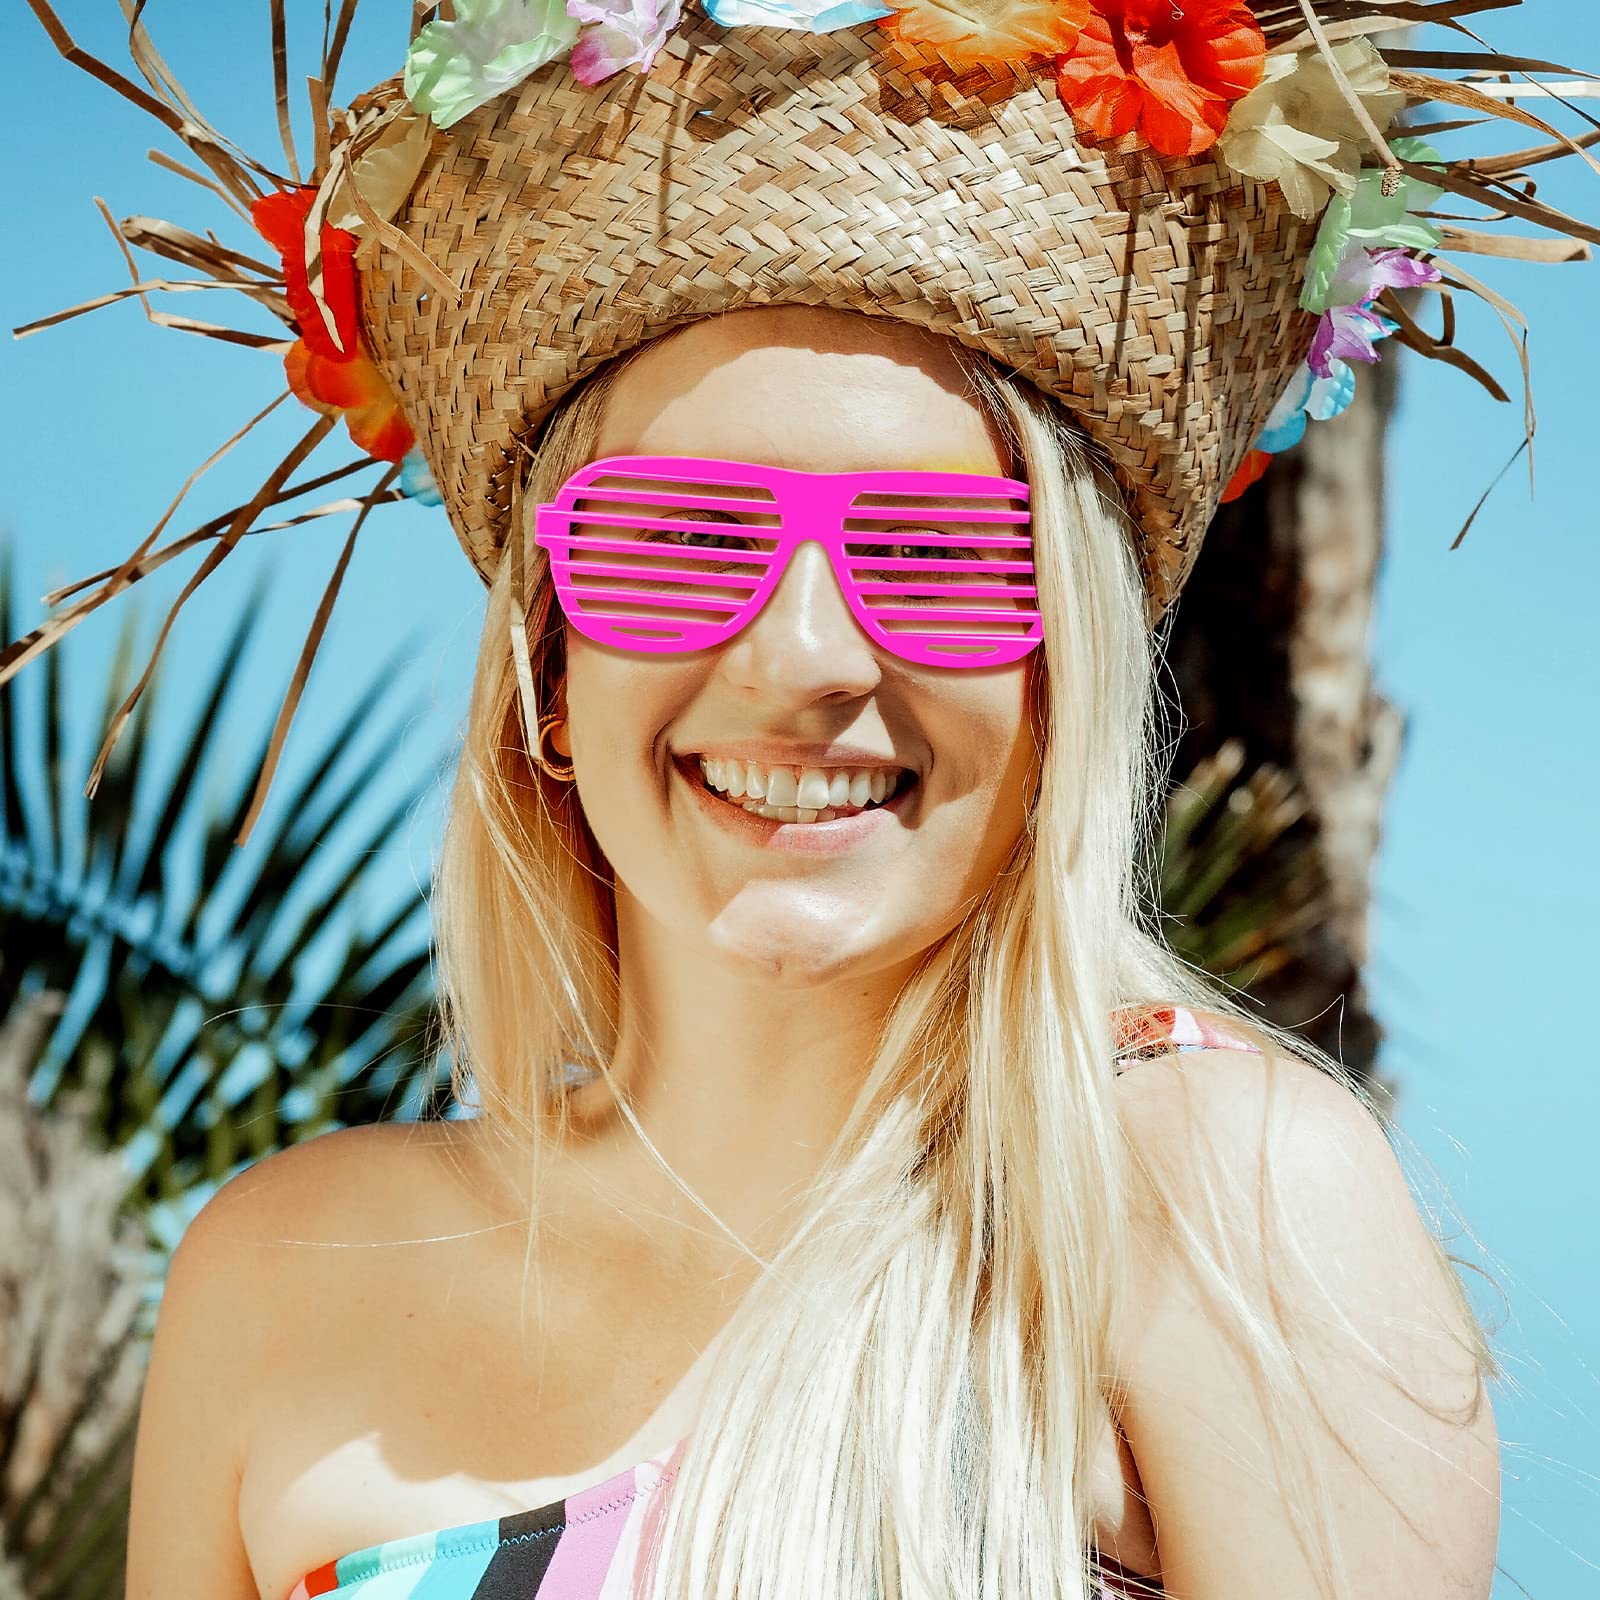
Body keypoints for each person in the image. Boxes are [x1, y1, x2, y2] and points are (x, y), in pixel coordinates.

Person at [10, 4, 1595, 1598]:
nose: (804, 659)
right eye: (680, 542)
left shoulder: (1221, 1194)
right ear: (550, 672)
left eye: (937, 556)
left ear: (1065, 678)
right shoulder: (283, 1278)